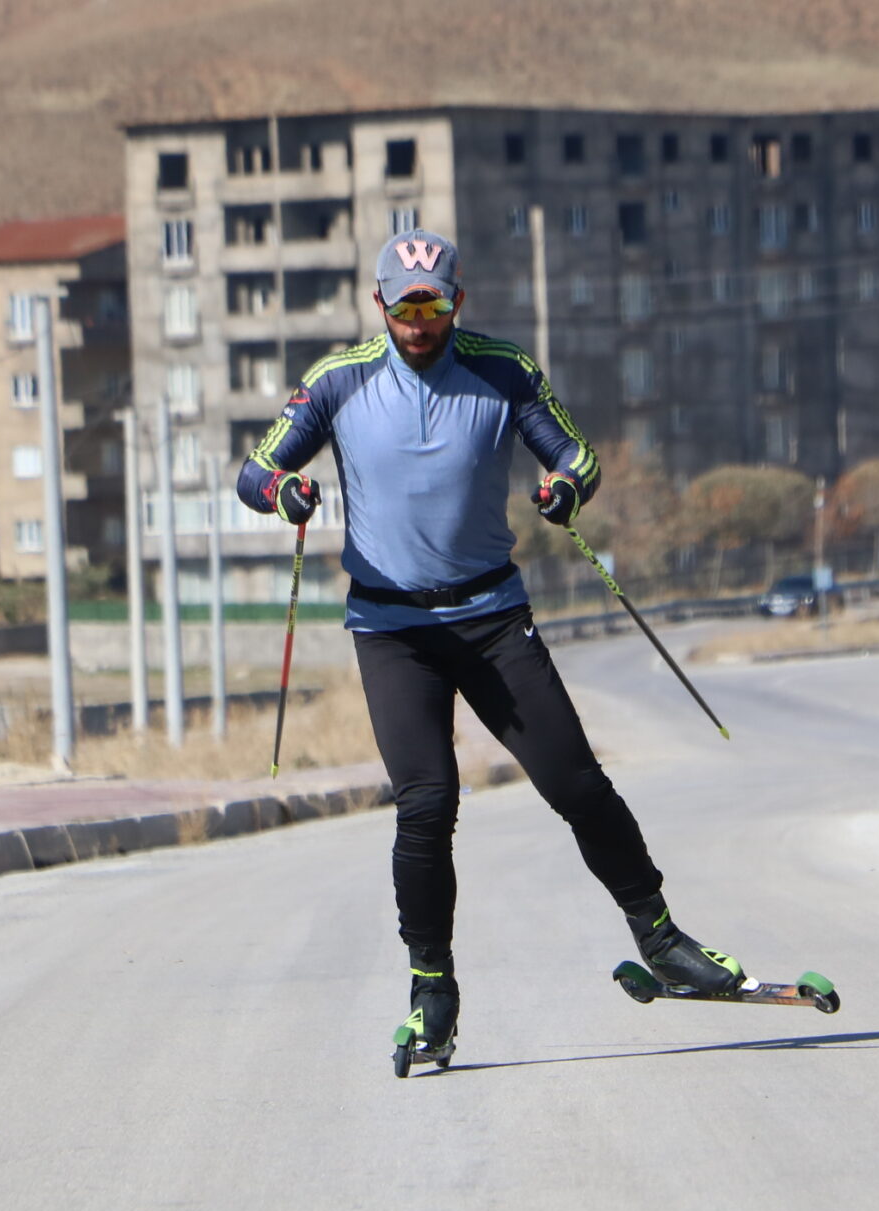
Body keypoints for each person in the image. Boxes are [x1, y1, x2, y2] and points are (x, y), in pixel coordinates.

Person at [236, 230, 742, 1065]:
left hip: (492, 618)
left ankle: (661, 938)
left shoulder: (505, 370)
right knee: (427, 804)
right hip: (392, 631)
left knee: (576, 782)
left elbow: (578, 455)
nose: (419, 323)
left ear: (458, 303)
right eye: (405, 307)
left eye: (434, 306)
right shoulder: (338, 379)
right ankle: (431, 988)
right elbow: (254, 471)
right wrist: (284, 488)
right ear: (379, 304)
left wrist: (565, 486)